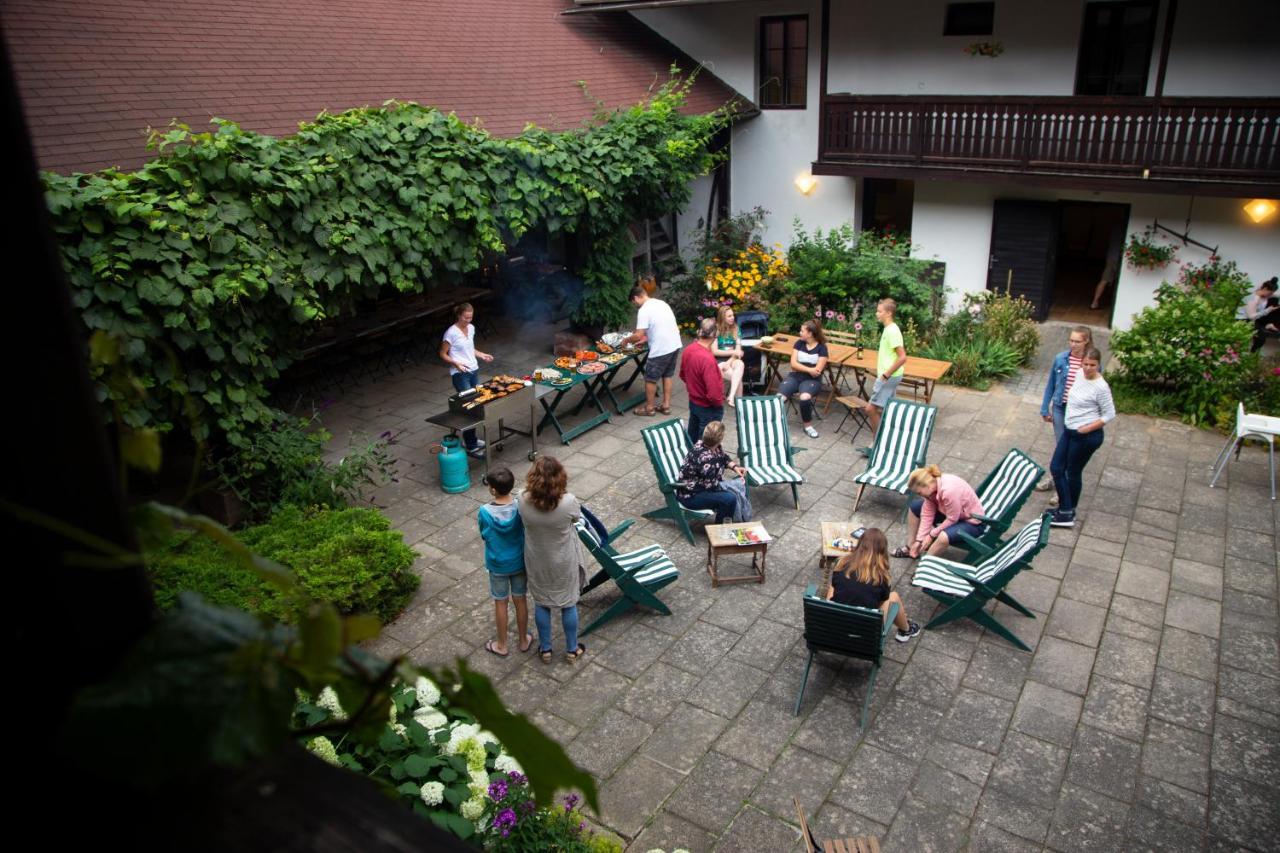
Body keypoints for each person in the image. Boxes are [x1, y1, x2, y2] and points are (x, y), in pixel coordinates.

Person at [518, 456, 587, 664]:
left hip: (536, 558)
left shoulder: (521, 498)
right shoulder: (568, 502)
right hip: (563, 560)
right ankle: (572, 649)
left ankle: (546, 649)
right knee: (568, 603)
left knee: (541, 602)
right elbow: (578, 518)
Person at [1050, 346, 1115, 528]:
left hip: (1085, 436)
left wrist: (1086, 429)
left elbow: (1109, 414)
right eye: (1085, 364)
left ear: (1098, 365)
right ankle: (1065, 507)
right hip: (1070, 430)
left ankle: (1067, 512)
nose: (1087, 368)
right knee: (1056, 467)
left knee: (1072, 472)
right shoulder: (1079, 374)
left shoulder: (1101, 387)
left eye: (1092, 365)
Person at [827, 528, 921, 642]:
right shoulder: (882, 577)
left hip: (833, 626)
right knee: (893, 597)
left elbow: (835, 586)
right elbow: (881, 602)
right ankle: (906, 629)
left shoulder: (842, 563)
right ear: (882, 552)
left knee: (834, 585)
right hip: (865, 635)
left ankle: (831, 608)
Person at [477, 467, 531, 657]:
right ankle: (524, 639)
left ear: (492, 490)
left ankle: (501, 644)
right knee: (520, 599)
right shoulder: (519, 506)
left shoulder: (484, 511)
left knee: (500, 602)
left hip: (497, 564)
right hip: (518, 562)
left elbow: (484, 534)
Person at [1038, 326, 1093, 507]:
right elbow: (1051, 384)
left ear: (1086, 341)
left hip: (1078, 412)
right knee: (1061, 446)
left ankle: (1062, 488)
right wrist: (1045, 407)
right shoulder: (1061, 358)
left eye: (1077, 341)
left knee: (1071, 450)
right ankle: (1056, 480)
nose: (1073, 344)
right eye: (1071, 340)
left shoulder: (1089, 363)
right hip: (1061, 408)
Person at [893, 464, 986, 559]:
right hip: (952, 513)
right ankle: (911, 547)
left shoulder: (949, 490)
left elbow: (952, 519)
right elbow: (927, 514)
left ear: (926, 484)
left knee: (943, 537)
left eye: (919, 492)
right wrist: (919, 540)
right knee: (914, 508)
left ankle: (925, 564)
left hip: (972, 522)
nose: (920, 495)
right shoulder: (932, 488)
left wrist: (931, 535)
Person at [439, 302, 494, 458]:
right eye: (466, 317)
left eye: (471, 317)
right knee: (469, 407)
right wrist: (456, 363)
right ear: (459, 315)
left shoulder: (471, 328)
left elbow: (470, 349)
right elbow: (443, 354)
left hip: (473, 370)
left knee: (476, 404)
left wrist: (481, 354)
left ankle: (473, 439)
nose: (469, 320)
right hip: (460, 374)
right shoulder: (451, 333)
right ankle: (470, 444)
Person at [624, 285, 682, 416]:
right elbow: (661, 324)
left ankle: (649, 408)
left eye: (634, 303)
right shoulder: (661, 303)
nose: (635, 305)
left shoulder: (644, 310)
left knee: (650, 378)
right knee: (667, 375)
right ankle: (666, 406)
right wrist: (647, 338)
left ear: (636, 298)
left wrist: (626, 340)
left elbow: (638, 334)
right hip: (674, 343)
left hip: (661, 348)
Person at [675, 420, 748, 524]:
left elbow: (723, 457)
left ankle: (731, 521)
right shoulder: (705, 459)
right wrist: (735, 485)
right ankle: (721, 530)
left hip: (703, 488)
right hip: (691, 496)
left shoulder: (708, 445)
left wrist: (735, 467)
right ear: (720, 439)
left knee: (736, 489)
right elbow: (714, 486)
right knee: (730, 498)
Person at [778, 318, 828, 438]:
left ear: (810, 333)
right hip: (795, 377)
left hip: (812, 381)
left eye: (802, 331)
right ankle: (774, 423)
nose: (800, 333)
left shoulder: (822, 348)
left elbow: (817, 371)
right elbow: (793, 364)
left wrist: (806, 369)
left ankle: (808, 426)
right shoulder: (799, 343)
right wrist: (809, 369)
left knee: (804, 397)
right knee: (779, 398)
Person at [679, 318, 726, 444]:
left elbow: (683, 375)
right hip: (708, 407)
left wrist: (695, 388)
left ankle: (689, 461)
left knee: (692, 439)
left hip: (694, 402)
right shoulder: (708, 359)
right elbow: (714, 393)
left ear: (699, 332)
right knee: (706, 445)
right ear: (715, 335)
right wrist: (718, 404)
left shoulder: (688, 350)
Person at [867, 298, 908, 438]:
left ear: (888, 313)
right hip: (890, 376)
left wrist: (885, 375)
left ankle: (878, 441)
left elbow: (902, 357)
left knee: (870, 408)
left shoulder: (892, 331)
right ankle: (887, 438)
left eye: (879, 311)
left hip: (889, 377)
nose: (876, 314)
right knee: (887, 409)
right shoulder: (888, 329)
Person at [713, 305, 746, 406]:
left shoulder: (736, 328)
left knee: (740, 364)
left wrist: (729, 361)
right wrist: (733, 352)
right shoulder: (716, 329)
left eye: (733, 315)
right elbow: (715, 351)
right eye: (729, 316)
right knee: (737, 377)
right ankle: (739, 402)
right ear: (723, 317)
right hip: (718, 360)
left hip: (732, 360)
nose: (733, 318)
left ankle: (731, 396)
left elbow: (738, 349)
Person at [1091, 220, 1127, 310]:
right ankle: (1117, 304)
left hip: (1111, 257)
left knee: (1104, 280)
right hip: (1119, 258)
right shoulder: (1127, 225)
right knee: (1120, 281)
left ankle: (1094, 302)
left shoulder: (1115, 227)